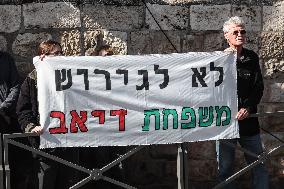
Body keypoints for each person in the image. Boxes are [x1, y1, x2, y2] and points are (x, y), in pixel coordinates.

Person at [16, 40, 78, 189]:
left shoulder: (70, 76)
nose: (60, 56)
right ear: (43, 56)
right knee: (46, 182)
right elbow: (23, 111)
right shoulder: (31, 81)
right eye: (55, 53)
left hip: (68, 144)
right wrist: (32, 127)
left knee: (67, 182)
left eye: (61, 53)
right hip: (45, 145)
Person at [216, 16, 269, 189]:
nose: (240, 35)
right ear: (226, 35)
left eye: (243, 31)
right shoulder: (218, 59)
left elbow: (258, 87)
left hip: (249, 122)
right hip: (226, 123)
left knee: (258, 164)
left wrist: (248, 107)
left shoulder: (251, 57)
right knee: (224, 168)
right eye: (236, 32)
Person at [0, 51, 35, 189]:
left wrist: (3, 106)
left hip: (8, 117)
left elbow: (15, 86)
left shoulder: (6, 59)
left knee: (15, 164)